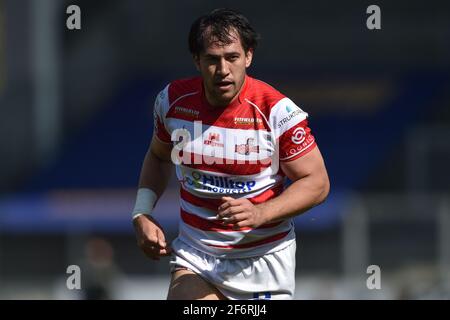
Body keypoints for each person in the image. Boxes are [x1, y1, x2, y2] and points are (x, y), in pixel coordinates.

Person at [132, 8, 330, 300]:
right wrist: (142, 212)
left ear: (248, 57)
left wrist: (260, 212)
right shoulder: (172, 102)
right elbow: (159, 156)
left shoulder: (276, 112)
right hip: (196, 256)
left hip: (263, 260)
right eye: (212, 59)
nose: (223, 70)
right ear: (196, 60)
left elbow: (317, 183)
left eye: (232, 58)